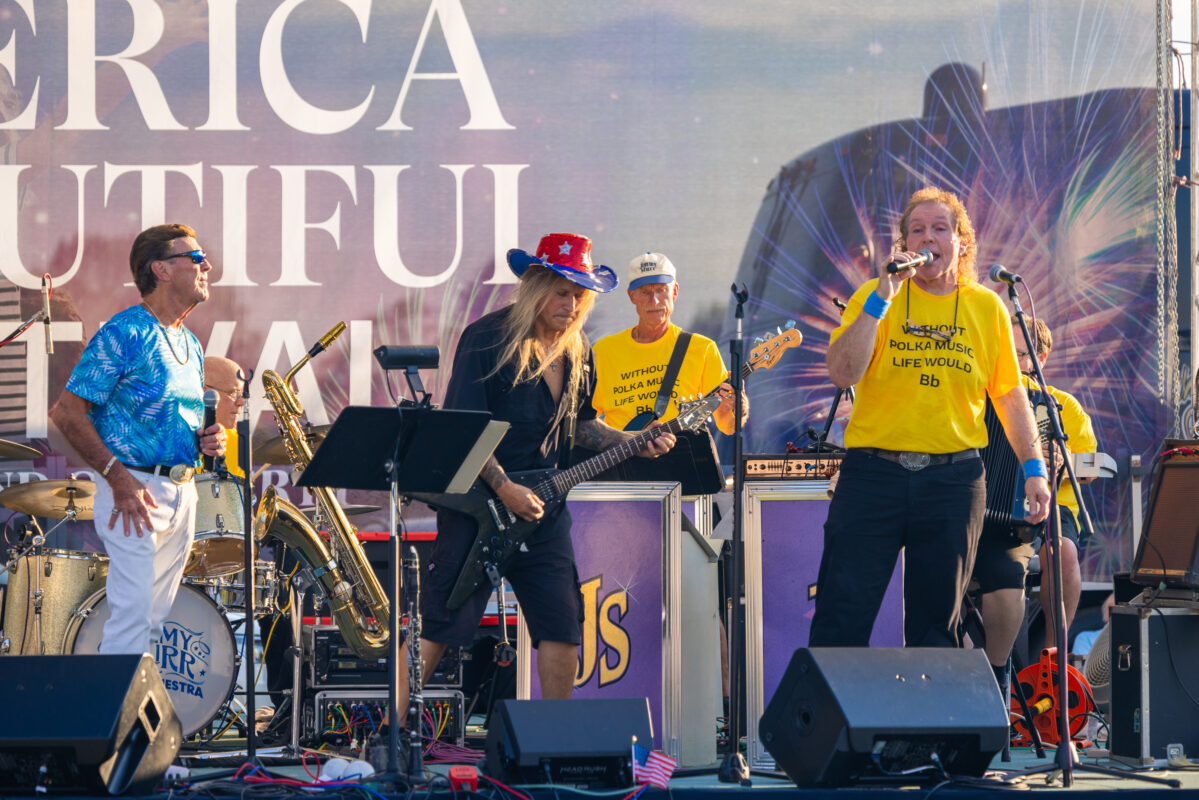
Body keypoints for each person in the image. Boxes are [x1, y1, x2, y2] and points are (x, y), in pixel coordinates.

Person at [410, 232, 675, 699]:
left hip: (544, 513)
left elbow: (582, 428)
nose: (571, 304)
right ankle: (387, 732)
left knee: (562, 626)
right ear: (534, 286)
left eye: (579, 295)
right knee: (439, 625)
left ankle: (554, 741)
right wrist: (505, 486)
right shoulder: (487, 338)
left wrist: (632, 441)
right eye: (561, 291)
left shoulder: (578, 350)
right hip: (478, 509)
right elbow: (465, 429)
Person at [809, 187, 1051, 652]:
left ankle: (926, 726)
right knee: (842, 614)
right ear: (902, 244)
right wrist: (881, 298)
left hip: (952, 480)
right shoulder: (874, 296)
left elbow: (1009, 394)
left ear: (961, 242)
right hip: (872, 475)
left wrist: (1034, 470)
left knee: (936, 626)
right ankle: (833, 724)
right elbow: (842, 372)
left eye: (940, 228)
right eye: (916, 229)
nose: (927, 237)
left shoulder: (986, 308)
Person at [50, 223, 225, 655]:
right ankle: (109, 723)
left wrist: (208, 440)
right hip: (134, 490)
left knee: (152, 627)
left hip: (183, 492)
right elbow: (68, 413)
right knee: (131, 623)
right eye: (197, 259)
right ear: (162, 269)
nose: (208, 267)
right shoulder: (125, 332)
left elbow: (174, 421)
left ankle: (131, 721)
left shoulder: (190, 342)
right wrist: (118, 479)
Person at [972, 318, 1097, 686]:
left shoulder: (1063, 406)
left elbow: (1090, 467)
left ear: (1041, 356)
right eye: (1007, 352)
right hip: (988, 504)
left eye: (1022, 354)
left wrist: (1057, 459)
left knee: (1064, 552)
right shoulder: (980, 397)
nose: (1014, 360)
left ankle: (1053, 662)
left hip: (1052, 505)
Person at [592, 252, 746, 434]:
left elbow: (728, 427)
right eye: (645, 292)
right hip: (621, 460)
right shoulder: (603, 351)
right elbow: (585, 422)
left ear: (674, 292)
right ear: (632, 296)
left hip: (681, 459)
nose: (654, 300)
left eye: (661, 290)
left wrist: (739, 407)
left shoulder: (702, 349)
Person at [203, 355, 247, 476]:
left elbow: (235, 494)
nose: (241, 402)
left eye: (242, 394)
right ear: (205, 392)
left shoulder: (236, 441)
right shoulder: (167, 437)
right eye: (233, 393)